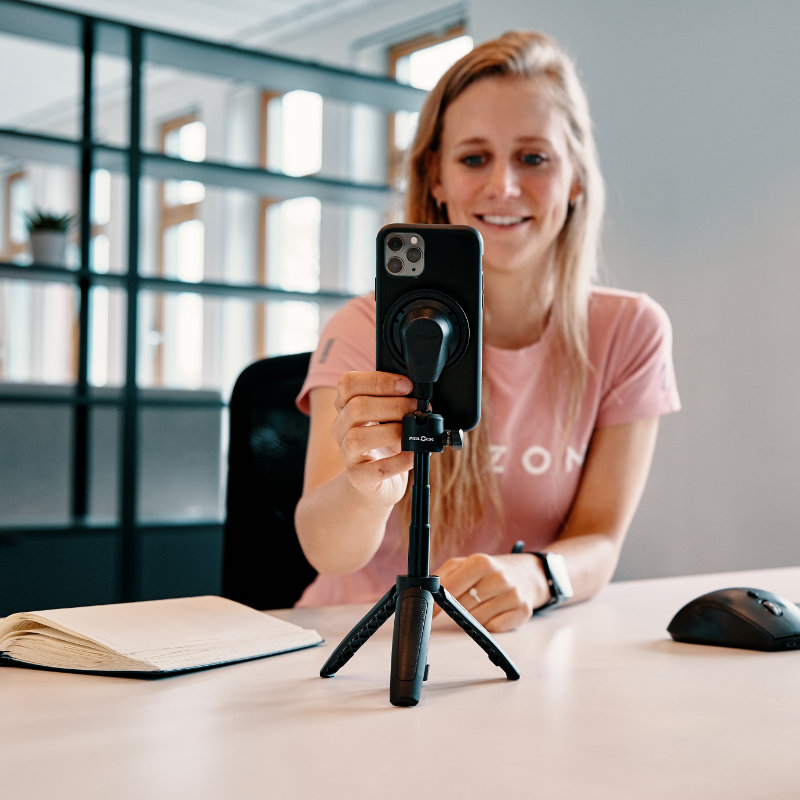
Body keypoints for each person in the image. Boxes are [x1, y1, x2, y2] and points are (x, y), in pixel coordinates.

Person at [294, 30, 680, 632]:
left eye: (533, 158)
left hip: (513, 646)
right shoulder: (363, 327)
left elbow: (600, 539)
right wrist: (365, 489)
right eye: (474, 158)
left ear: (576, 179)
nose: (503, 187)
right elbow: (327, 551)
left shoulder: (629, 331)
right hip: (360, 641)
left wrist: (536, 575)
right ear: (437, 178)